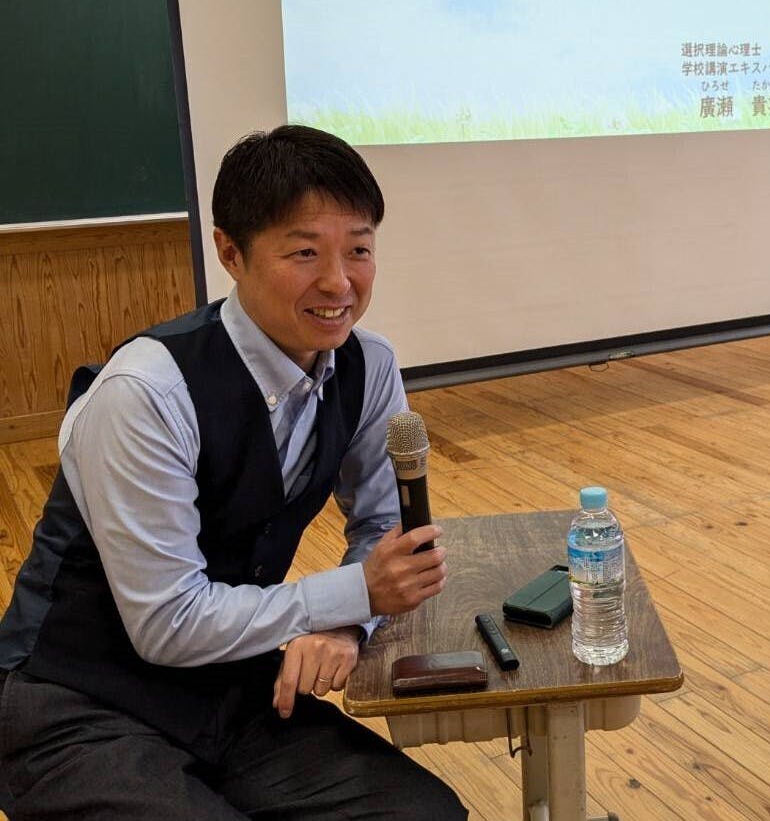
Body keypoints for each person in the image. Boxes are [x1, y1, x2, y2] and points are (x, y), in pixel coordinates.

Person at [0, 125, 467, 819]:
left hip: (228, 683)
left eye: (359, 249)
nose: (339, 282)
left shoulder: (369, 364)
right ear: (230, 253)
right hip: (76, 700)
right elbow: (165, 622)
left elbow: (382, 530)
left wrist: (348, 625)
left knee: (424, 813)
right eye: (304, 252)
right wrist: (351, 591)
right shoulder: (146, 392)